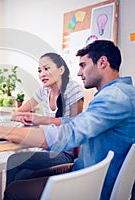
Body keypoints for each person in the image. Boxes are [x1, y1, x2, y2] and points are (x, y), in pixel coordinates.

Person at [0, 40, 135, 200]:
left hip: (94, 181)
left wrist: (3, 131)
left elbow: (68, 134)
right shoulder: (123, 93)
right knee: (20, 172)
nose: (79, 72)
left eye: (83, 65)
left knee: (15, 190)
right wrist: (40, 119)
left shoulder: (115, 97)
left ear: (102, 62)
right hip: (86, 169)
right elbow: (79, 122)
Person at [7, 52, 84, 186]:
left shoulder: (73, 89)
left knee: (14, 160)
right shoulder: (44, 91)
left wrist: (78, 165)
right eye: (39, 70)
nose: (42, 74)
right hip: (47, 148)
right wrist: (25, 117)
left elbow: (75, 127)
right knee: (21, 174)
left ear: (61, 69)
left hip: (65, 153)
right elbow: (17, 113)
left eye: (46, 68)